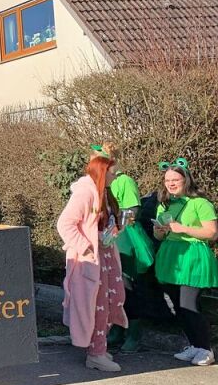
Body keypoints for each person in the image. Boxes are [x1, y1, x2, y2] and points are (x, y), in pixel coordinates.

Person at [56, 155, 128, 372]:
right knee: (96, 305)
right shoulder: (85, 192)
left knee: (111, 299)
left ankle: (99, 346)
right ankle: (95, 354)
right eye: (113, 173)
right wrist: (85, 247)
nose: (115, 177)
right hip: (90, 258)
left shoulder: (102, 192)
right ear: (102, 172)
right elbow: (65, 223)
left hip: (104, 255)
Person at [153, 158, 218, 366]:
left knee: (188, 304)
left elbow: (212, 232)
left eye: (175, 179)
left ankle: (206, 349)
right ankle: (194, 345)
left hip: (192, 256)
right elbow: (159, 237)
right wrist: (160, 231)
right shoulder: (165, 204)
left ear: (186, 180)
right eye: (167, 180)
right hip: (171, 257)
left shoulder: (201, 203)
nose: (171, 183)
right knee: (177, 306)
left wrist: (184, 228)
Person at [91, 144, 155, 353]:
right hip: (108, 238)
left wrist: (113, 226)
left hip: (123, 238)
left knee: (128, 286)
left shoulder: (123, 180)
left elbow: (132, 210)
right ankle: (117, 330)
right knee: (112, 287)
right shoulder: (98, 183)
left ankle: (134, 334)